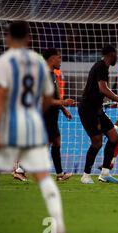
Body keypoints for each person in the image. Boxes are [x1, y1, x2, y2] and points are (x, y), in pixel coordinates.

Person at [0, 21, 66, 233]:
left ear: (8, 38)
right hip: (32, 124)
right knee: (44, 176)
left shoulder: (4, 62)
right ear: (29, 38)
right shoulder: (38, 63)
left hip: (10, 122)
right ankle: (58, 225)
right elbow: (47, 99)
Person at [12, 48, 76, 182]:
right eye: (59, 57)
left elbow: (53, 96)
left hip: (51, 114)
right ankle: (21, 169)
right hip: (45, 114)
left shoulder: (52, 74)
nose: (60, 60)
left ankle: (58, 174)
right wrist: (63, 102)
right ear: (52, 59)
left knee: (53, 142)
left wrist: (63, 109)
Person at [78, 45, 118, 184]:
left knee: (114, 137)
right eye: (116, 54)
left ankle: (105, 173)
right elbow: (103, 89)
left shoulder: (103, 67)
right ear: (111, 54)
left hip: (97, 109)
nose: (117, 58)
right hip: (88, 109)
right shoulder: (101, 67)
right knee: (96, 142)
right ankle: (85, 175)